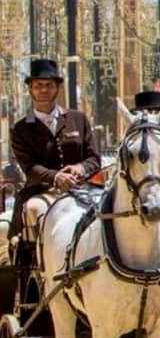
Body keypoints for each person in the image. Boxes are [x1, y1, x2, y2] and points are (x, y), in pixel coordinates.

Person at [10, 58, 101, 242]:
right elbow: (29, 168)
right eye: (38, 85)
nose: (43, 90)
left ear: (57, 88)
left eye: (49, 85)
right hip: (42, 191)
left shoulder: (78, 119)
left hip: (83, 189)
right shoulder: (20, 129)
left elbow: (94, 158)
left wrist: (81, 168)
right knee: (34, 210)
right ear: (30, 89)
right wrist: (56, 177)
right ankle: (32, 262)